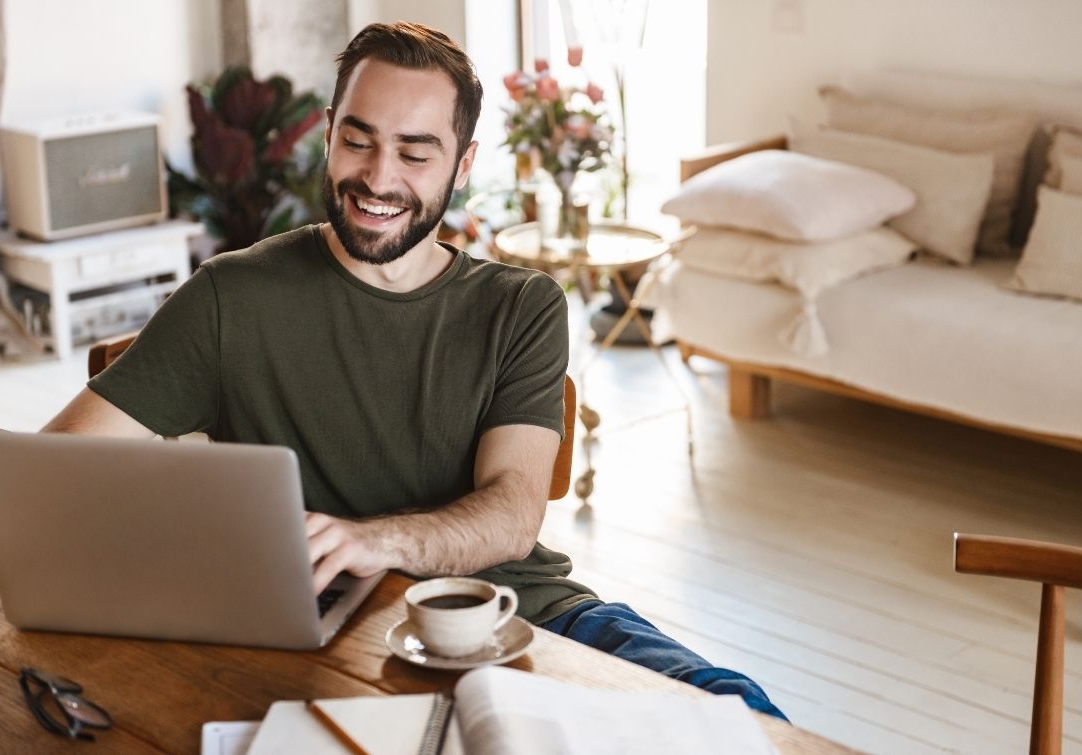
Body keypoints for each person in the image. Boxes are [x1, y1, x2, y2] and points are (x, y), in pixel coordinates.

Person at [41, 22, 786, 721]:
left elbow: (513, 513)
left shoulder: (521, 306)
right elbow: (56, 472)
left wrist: (377, 542)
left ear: (462, 165)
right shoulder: (230, 295)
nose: (377, 177)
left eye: (414, 152)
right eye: (358, 141)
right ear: (329, 135)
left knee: (738, 711)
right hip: (324, 633)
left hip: (520, 613)